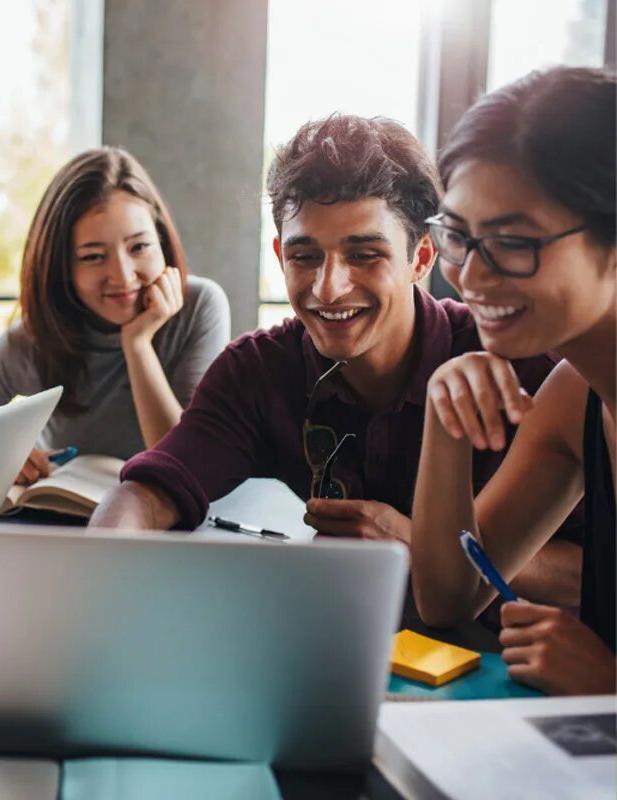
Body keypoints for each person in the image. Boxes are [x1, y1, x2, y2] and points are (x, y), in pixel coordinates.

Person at [91, 114, 580, 608]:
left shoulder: (525, 366)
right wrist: (99, 583)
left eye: (365, 255)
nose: (328, 288)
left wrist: (414, 543)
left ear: (422, 258)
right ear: (280, 255)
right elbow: (146, 495)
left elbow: (594, 574)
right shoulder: (256, 370)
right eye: (304, 257)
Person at [410, 67, 615, 695]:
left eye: (511, 242)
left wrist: (609, 686)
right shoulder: (573, 397)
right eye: (457, 237)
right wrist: (444, 419)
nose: (469, 276)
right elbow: (449, 599)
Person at [0, 147, 230, 483]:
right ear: (62, 267)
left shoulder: (200, 306)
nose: (122, 276)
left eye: (139, 247)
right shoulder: (33, 340)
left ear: (162, 241)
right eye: (93, 257)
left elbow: (183, 463)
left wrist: (137, 343)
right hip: (64, 522)